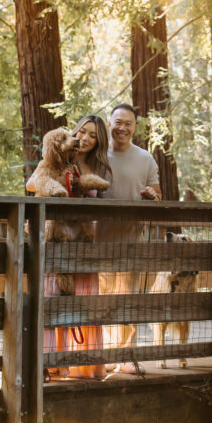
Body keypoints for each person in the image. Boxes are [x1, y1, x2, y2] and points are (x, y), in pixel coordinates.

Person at [26, 115, 111, 380]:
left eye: (92, 135)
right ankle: (49, 363)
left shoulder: (97, 166)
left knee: (83, 300)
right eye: (81, 132)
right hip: (56, 237)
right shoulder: (54, 160)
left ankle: (84, 362)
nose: (84, 138)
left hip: (82, 239)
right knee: (52, 296)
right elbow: (33, 183)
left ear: (98, 141)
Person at [96, 103, 161, 359]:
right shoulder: (97, 156)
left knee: (128, 301)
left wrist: (151, 195)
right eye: (118, 122)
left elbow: (157, 193)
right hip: (99, 242)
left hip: (133, 241)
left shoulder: (145, 158)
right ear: (109, 123)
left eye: (128, 123)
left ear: (134, 127)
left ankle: (127, 357)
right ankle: (104, 355)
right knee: (103, 301)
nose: (122, 127)